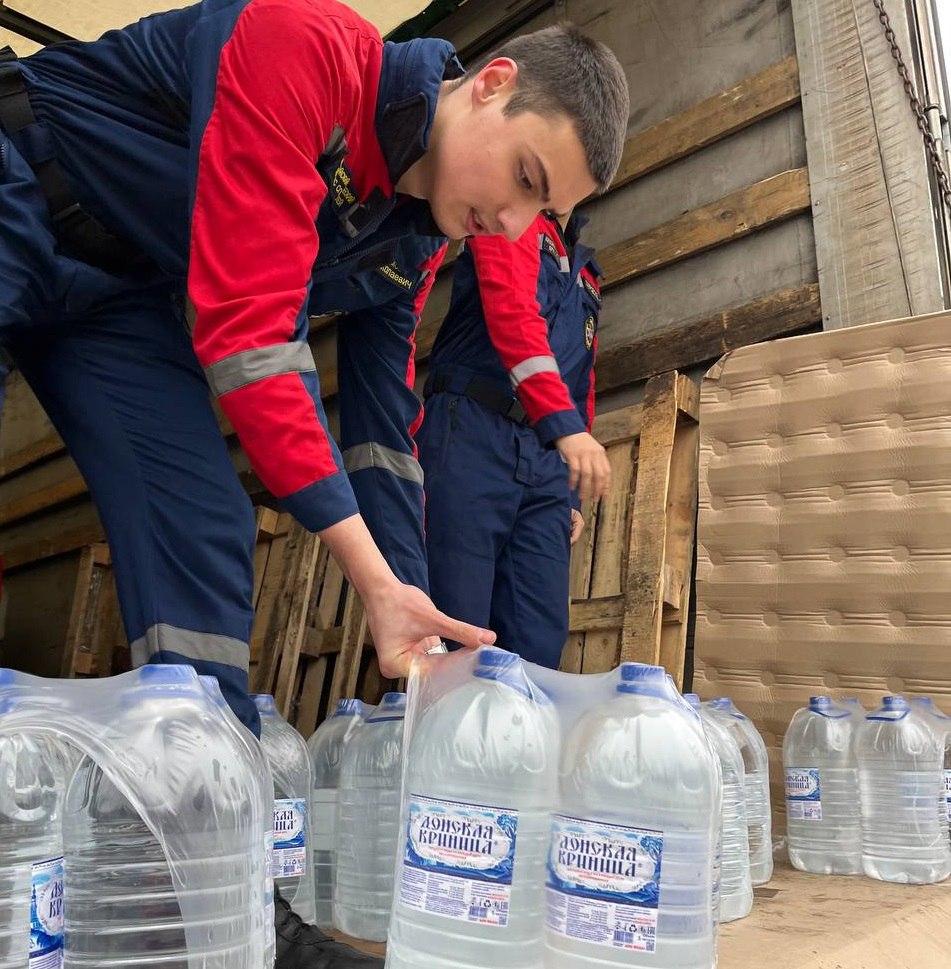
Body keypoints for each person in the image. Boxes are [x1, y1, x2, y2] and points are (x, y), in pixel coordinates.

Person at [0, 2, 628, 959]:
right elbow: (251, 334)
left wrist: (403, 600)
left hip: (118, 297)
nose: (513, 221)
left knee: (203, 524)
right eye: (525, 178)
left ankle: (214, 899)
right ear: (491, 84)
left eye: (543, 213)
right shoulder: (307, 49)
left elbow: (382, 439)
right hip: (20, 177)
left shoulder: (413, 243)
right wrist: (369, 578)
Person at [418, 209, 607, 668]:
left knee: (540, 633)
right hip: (472, 426)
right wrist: (565, 428)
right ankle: (443, 736)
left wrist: (570, 492)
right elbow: (514, 316)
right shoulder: (509, 214)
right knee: (457, 623)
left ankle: (522, 739)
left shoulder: (588, 275)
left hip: (545, 455)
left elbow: (581, 383)